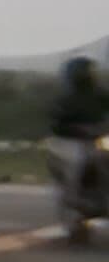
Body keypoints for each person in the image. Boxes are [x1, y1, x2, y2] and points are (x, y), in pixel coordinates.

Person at [48, 57, 109, 243]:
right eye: (83, 72)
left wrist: (102, 127)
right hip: (74, 142)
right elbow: (57, 123)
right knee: (75, 165)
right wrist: (78, 129)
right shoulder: (65, 100)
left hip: (99, 139)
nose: (86, 75)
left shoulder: (101, 94)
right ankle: (74, 207)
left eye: (88, 72)